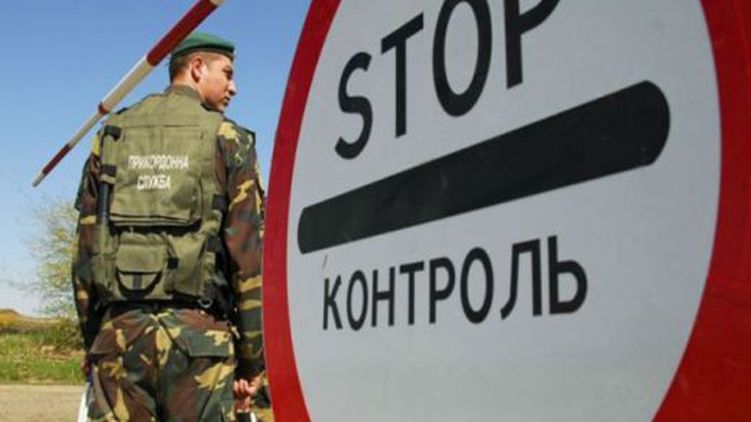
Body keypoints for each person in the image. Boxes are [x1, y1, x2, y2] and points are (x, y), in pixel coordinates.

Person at [71, 32, 270, 421]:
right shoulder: (229, 139)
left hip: (118, 340)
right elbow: (247, 259)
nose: (234, 87)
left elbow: (84, 252)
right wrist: (251, 361)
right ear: (196, 68)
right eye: (227, 73)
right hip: (201, 344)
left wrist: (96, 340)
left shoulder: (111, 135)